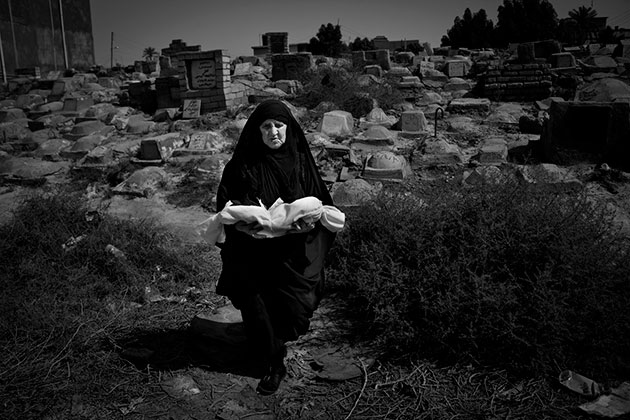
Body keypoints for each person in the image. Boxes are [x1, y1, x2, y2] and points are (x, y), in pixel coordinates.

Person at [214, 99, 339, 395]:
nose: (273, 132)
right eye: (266, 126)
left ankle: (276, 340)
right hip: (252, 252)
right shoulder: (242, 164)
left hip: (293, 251)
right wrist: (241, 226)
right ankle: (274, 363)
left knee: (295, 309)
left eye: (279, 125)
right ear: (256, 131)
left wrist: (308, 224)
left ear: (288, 128)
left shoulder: (301, 162)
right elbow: (225, 205)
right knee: (257, 305)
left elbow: (321, 203)